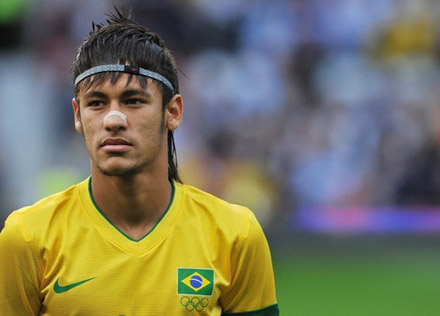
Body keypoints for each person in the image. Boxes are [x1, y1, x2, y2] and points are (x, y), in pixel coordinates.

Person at [0, 9, 279, 316]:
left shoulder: (235, 234)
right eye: (96, 103)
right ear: (78, 116)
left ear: (172, 112)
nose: (114, 119)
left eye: (133, 100)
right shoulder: (27, 236)